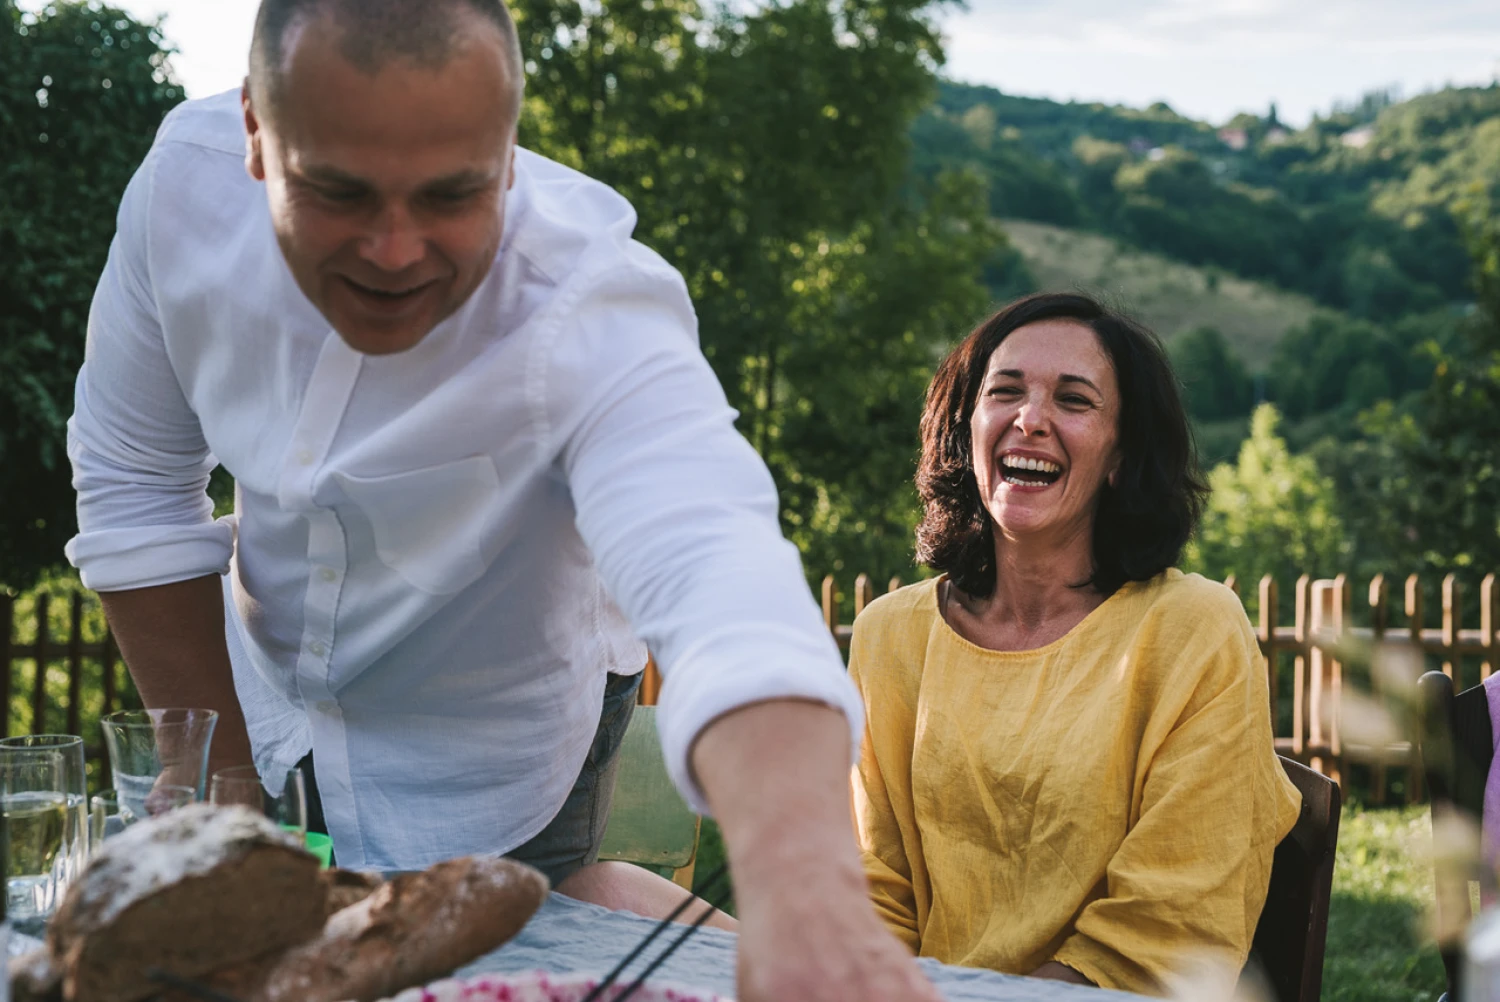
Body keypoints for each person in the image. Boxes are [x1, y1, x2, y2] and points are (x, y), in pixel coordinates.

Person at [64, 1, 938, 999]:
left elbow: (720, 578)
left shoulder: (590, 299)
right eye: (340, 192)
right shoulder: (182, 188)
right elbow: (135, 487)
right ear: (258, 134)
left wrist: (804, 893)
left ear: (510, 156)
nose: (394, 250)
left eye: (452, 195)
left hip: (508, 733)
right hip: (269, 691)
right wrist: (225, 792)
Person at [848, 292, 1302, 995]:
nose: (1030, 419)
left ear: (1121, 456)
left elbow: (1168, 930)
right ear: (967, 431)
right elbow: (871, 889)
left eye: (1074, 400)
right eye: (1005, 392)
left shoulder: (1195, 631)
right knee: (617, 888)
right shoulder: (890, 634)